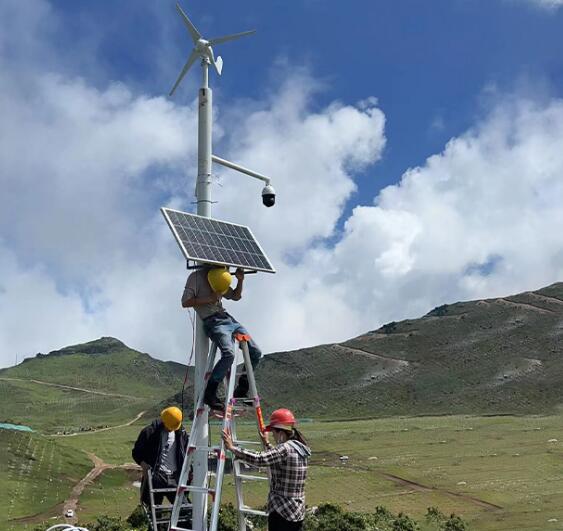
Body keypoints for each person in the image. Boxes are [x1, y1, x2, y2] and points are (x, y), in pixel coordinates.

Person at [181, 265, 262, 411]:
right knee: (228, 354)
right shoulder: (196, 278)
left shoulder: (219, 275)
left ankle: (242, 390)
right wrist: (209, 298)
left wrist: (240, 281)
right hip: (213, 321)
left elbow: (235, 296)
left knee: (255, 352)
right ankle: (210, 393)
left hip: (227, 318)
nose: (226, 266)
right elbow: (185, 302)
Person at [222, 408, 311, 531]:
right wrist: (267, 443)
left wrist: (233, 448)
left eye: (274, 432)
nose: (273, 436)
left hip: (283, 511)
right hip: (296, 511)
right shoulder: (299, 448)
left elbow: (260, 459)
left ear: (280, 432)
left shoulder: (284, 448)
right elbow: (278, 458)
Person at [132, 406, 189, 509]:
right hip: (156, 478)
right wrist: (143, 463)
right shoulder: (149, 432)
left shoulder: (181, 433)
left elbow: (185, 453)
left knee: (184, 510)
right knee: (154, 513)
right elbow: (136, 452)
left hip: (175, 478)